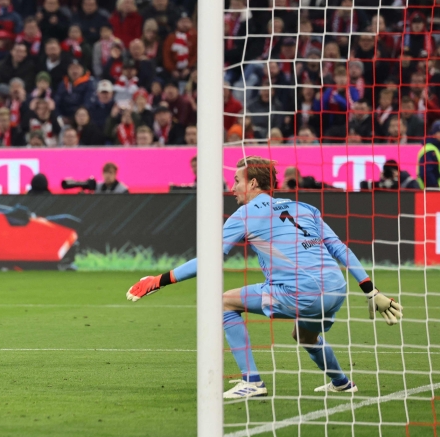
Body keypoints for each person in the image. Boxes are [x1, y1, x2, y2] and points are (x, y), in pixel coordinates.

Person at [126, 157, 403, 399]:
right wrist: (370, 291)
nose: (232, 187)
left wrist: (160, 280)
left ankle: (251, 381)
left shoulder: (244, 214)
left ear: (254, 183)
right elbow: (340, 249)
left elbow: (211, 258)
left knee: (223, 303)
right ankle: (341, 383)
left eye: (236, 180)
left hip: (300, 291)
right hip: (335, 289)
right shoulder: (305, 208)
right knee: (304, 335)